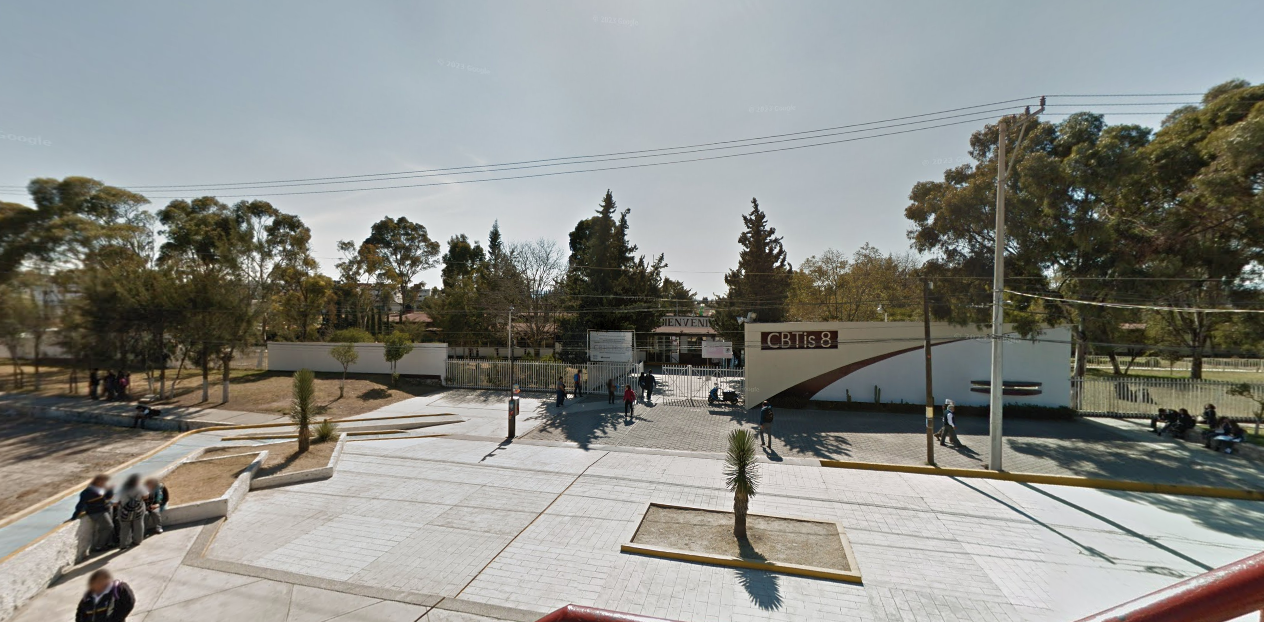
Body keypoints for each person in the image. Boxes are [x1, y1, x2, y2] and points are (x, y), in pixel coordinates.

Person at [72, 475, 114, 552]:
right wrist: (74, 516)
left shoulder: (104, 488)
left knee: (107, 527)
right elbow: (80, 504)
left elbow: (109, 497)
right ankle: (99, 546)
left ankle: (109, 543)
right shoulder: (87, 492)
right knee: (108, 526)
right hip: (97, 512)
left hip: (107, 508)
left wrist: (110, 489)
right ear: (97, 482)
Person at [114, 475, 148, 550]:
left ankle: (123, 544)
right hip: (138, 510)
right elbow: (146, 496)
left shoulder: (121, 490)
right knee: (139, 525)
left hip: (124, 512)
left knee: (124, 527)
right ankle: (137, 541)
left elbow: (114, 503)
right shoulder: (141, 488)